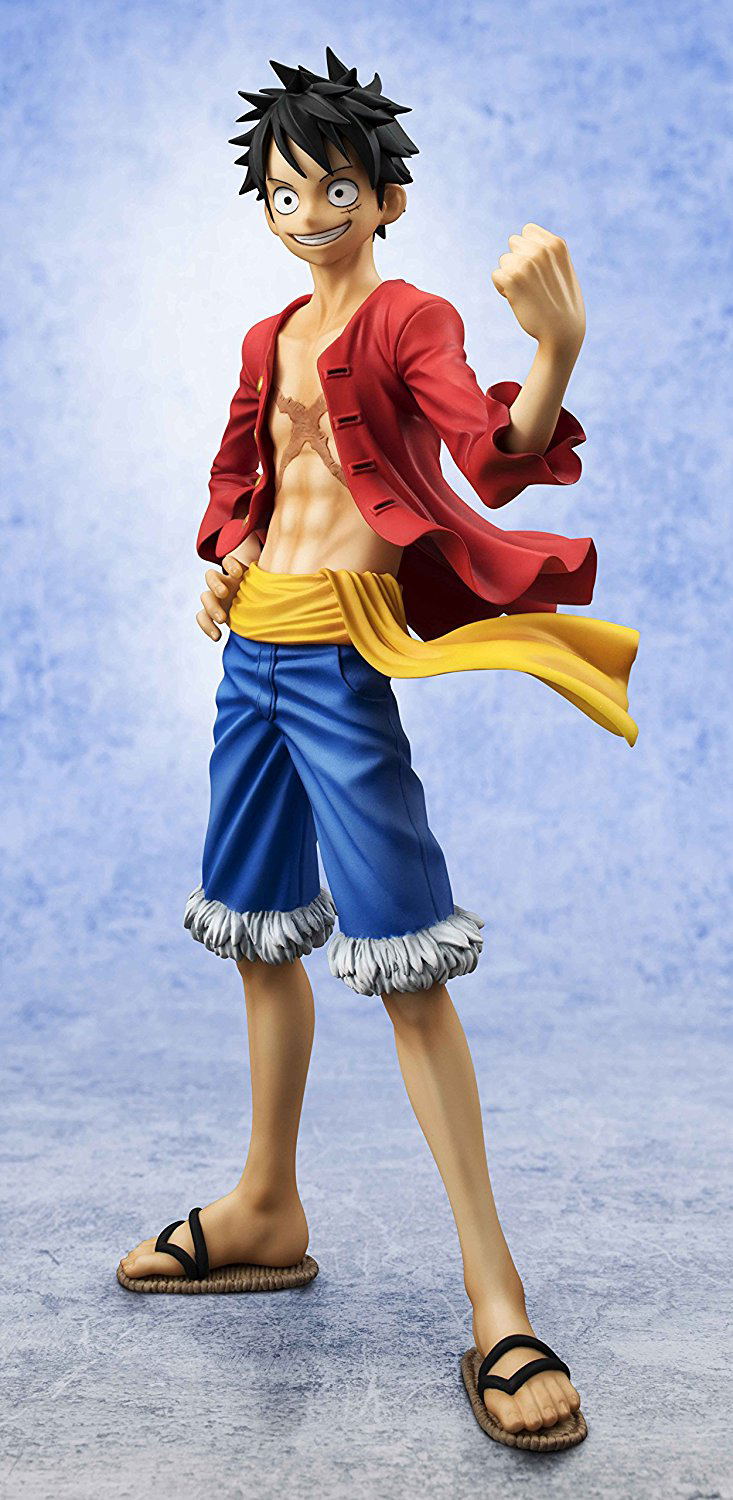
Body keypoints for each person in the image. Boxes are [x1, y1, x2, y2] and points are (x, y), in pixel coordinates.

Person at [118, 48, 638, 1451]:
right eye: (284, 192)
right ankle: (265, 1204)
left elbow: (493, 453)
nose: (307, 214)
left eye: (333, 190)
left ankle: (495, 1295)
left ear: (386, 198)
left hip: (344, 663)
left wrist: (555, 350)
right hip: (250, 661)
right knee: (257, 933)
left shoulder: (409, 320)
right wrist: (227, 559)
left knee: (406, 965)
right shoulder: (266, 337)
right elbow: (241, 478)